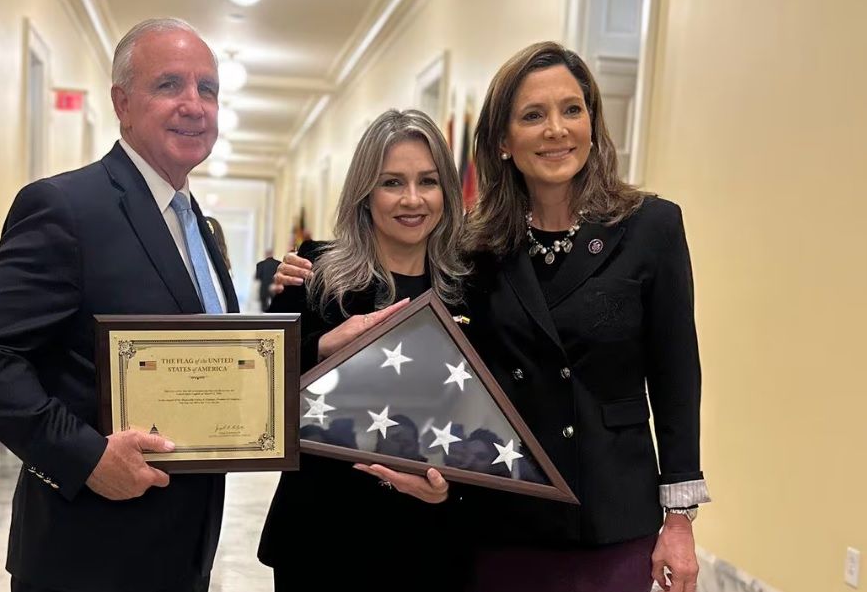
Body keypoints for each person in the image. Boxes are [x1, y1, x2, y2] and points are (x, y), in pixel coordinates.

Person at [273, 42, 709, 592]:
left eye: (572, 110)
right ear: (503, 141)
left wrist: (680, 519)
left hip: (611, 511)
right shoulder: (479, 248)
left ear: (593, 124)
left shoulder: (652, 228)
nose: (556, 130)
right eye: (533, 115)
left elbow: (677, 378)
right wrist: (288, 270)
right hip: (503, 514)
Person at [0, 18, 236, 592]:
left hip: (185, 551)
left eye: (208, 89)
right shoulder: (64, 207)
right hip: (85, 556)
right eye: (170, 84)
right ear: (122, 102)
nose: (194, 105)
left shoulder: (203, 228)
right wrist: (87, 457)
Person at [257, 109, 470, 591]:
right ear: (365, 194)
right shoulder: (311, 273)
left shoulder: (474, 287)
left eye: (428, 181)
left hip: (432, 540)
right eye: (392, 182)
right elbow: (258, 394)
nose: (412, 199)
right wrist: (324, 346)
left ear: (447, 193)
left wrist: (449, 492)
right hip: (322, 536)